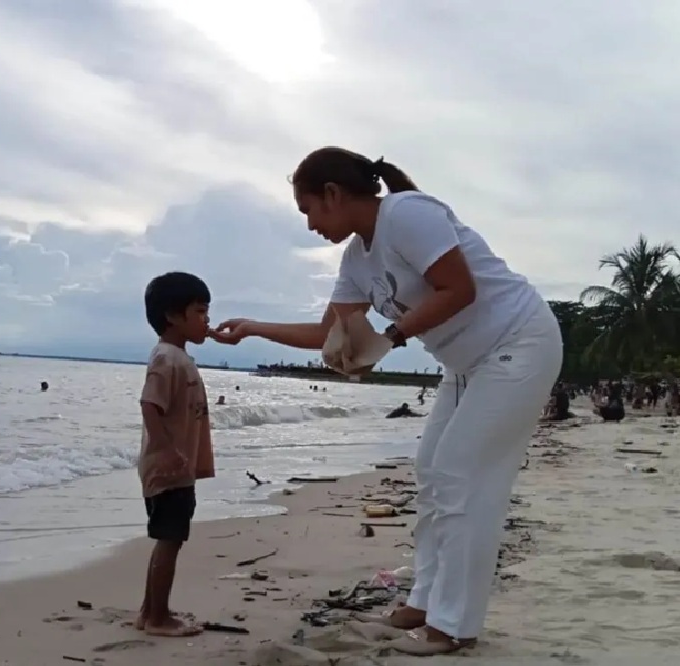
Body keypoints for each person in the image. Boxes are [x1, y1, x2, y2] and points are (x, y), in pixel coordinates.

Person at [209, 147, 562, 655]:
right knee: (430, 472)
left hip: (518, 344)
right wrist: (254, 329)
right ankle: (425, 599)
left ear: (333, 194)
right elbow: (330, 331)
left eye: (308, 210)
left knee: (462, 476)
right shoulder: (355, 260)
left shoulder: (408, 214)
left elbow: (458, 288)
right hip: (465, 364)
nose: (309, 225)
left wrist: (389, 338)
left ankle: (452, 626)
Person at [135, 271, 215, 638]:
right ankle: (157, 617)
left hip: (175, 468)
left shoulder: (178, 357)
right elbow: (149, 405)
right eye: (200, 313)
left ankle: (150, 611)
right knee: (170, 540)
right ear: (173, 316)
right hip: (167, 469)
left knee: (168, 538)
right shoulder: (167, 359)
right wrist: (166, 450)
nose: (207, 321)